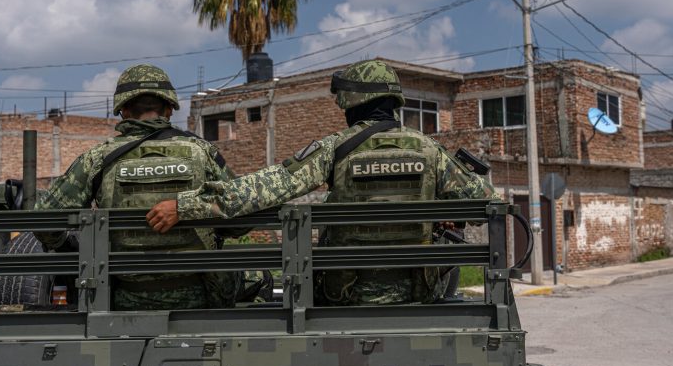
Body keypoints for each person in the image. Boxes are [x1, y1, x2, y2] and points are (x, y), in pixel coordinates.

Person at [147, 59, 498, 305]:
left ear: (350, 101)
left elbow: (266, 187)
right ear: (393, 101)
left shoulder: (336, 149)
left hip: (345, 296)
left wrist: (186, 205)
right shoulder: (431, 151)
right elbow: (485, 200)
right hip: (416, 293)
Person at [34, 64, 241, 310]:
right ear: (168, 109)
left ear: (123, 110)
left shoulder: (98, 158)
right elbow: (239, 221)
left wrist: (64, 244)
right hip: (199, 298)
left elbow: (45, 223)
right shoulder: (203, 152)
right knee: (259, 279)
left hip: (125, 300)